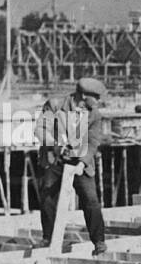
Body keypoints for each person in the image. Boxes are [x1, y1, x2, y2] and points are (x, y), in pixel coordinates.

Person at [37, 77, 108, 254]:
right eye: (96, 97)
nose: (98, 102)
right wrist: (56, 144)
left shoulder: (94, 114)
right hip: (56, 159)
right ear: (84, 95)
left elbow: (93, 141)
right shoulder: (54, 105)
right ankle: (48, 238)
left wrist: (82, 163)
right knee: (47, 194)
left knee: (91, 200)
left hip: (80, 161)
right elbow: (40, 129)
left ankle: (99, 242)